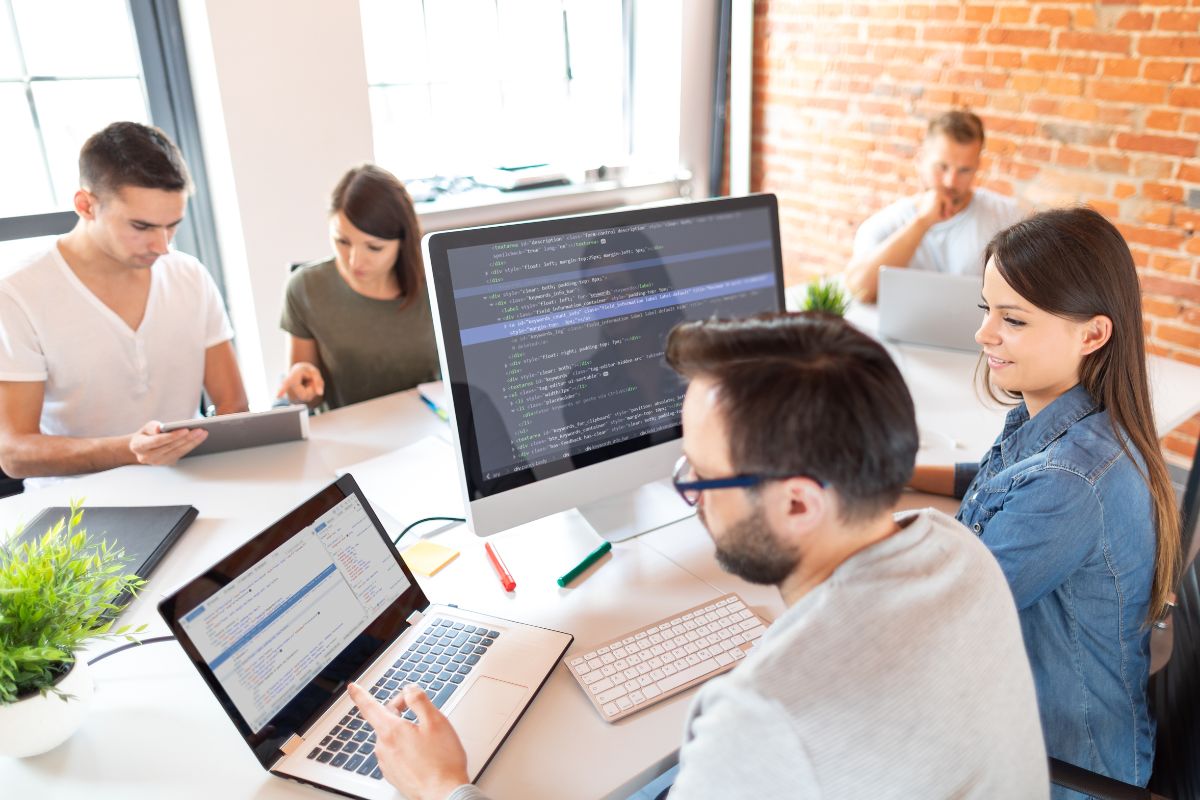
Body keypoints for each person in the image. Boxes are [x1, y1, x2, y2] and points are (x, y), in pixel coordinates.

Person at [346, 312, 1049, 800]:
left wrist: (443, 784)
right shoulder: (960, 552)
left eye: (700, 478)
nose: (692, 499)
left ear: (800, 504)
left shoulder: (760, 717)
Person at [910, 207, 1180, 796]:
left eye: (1013, 320)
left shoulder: (1073, 482)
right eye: (988, 310)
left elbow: (938, 617)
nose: (984, 335)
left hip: (1063, 771)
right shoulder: (1075, 421)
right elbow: (1000, 479)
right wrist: (896, 471)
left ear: (1092, 334)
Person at [0, 122, 247, 483]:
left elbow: (234, 406)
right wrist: (129, 450)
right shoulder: (17, 294)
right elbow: (15, 454)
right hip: (79, 513)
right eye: (142, 227)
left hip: (192, 489)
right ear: (86, 205)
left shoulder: (189, 275)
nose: (163, 246)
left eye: (172, 225)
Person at [276, 164, 439, 410]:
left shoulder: (436, 283)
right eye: (342, 241)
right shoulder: (305, 288)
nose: (354, 261)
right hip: (349, 436)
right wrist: (300, 388)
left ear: (403, 242)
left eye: (374, 248)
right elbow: (308, 400)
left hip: (429, 426)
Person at [845, 109, 1022, 302]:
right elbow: (858, 290)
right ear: (920, 160)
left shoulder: (1007, 216)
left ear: (977, 166)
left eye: (964, 170)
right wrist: (922, 222)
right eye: (942, 167)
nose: (951, 182)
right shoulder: (884, 223)